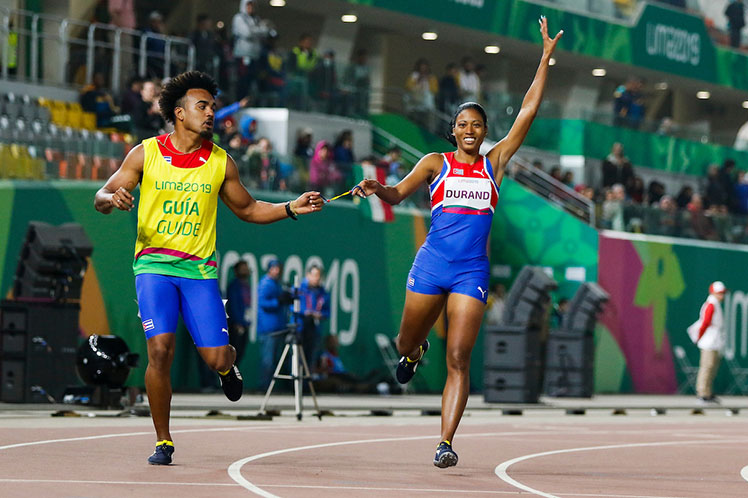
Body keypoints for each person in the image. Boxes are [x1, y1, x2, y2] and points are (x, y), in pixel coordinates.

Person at [353, 17, 562, 469]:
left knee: (459, 358)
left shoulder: (495, 163)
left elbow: (527, 110)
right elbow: (398, 193)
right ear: (453, 131)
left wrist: (544, 58)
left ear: (485, 132)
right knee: (407, 340)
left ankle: (444, 442)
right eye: (463, 123)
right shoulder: (434, 163)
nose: (471, 129)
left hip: (471, 273)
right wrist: (377, 187)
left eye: (478, 124)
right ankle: (414, 350)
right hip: (431, 265)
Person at [94, 71, 323, 466]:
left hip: (198, 273)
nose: (211, 113)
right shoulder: (145, 153)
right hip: (153, 268)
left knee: (217, 358)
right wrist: (111, 198)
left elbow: (248, 208)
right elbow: (101, 194)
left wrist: (289, 207)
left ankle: (226, 367)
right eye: (203, 106)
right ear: (179, 114)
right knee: (160, 351)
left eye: (213, 107)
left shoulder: (221, 162)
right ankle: (163, 440)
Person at [687, 281, 727, 404]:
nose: (722, 296)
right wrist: (698, 338)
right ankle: (702, 393)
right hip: (708, 341)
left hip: (715, 341)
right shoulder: (710, 304)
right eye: (720, 293)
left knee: (713, 368)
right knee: (706, 367)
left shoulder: (716, 304)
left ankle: (708, 393)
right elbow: (705, 323)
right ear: (713, 293)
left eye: (723, 293)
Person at [257, 259, 292, 390]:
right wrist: (278, 301)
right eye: (275, 268)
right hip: (268, 329)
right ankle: (264, 387)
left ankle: (270, 387)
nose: (278, 271)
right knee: (267, 360)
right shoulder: (266, 283)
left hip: (278, 327)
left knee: (276, 360)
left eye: (279, 268)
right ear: (270, 269)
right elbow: (263, 303)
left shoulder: (277, 284)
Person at [231, 0, 273, 100]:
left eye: (253, 5)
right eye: (248, 5)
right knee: (242, 80)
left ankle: (249, 102)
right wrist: (260, 30)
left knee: (252, 81)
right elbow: (247, 33)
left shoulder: (256, 19)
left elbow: (265, 33)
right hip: (243, 55)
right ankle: (239, 102)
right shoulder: (239, 18)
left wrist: (257, 30)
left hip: (254, 55)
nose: (251, 8)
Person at [298, 265, 330, 368]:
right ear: (308, 275)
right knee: (297, 360)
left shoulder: (323, 293)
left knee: (311, 359)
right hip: (301, 329)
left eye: (318, 275)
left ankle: (307, 384)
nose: (316, 278)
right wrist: (304, 312)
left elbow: (327, 312)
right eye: (314, 275)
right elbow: (293, 307)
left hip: (315, 330)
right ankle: (294, 384)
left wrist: (320, 315)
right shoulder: (300, 290)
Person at [226, 260, 252, 366]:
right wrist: (237, 323)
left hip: (244, 324)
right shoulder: (234, 286)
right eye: (242, 269)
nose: (245, 271)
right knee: (233, 353)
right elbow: (233, 305)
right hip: (236, 325)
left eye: (246, 268)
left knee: (240, 353)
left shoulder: (246, 286)